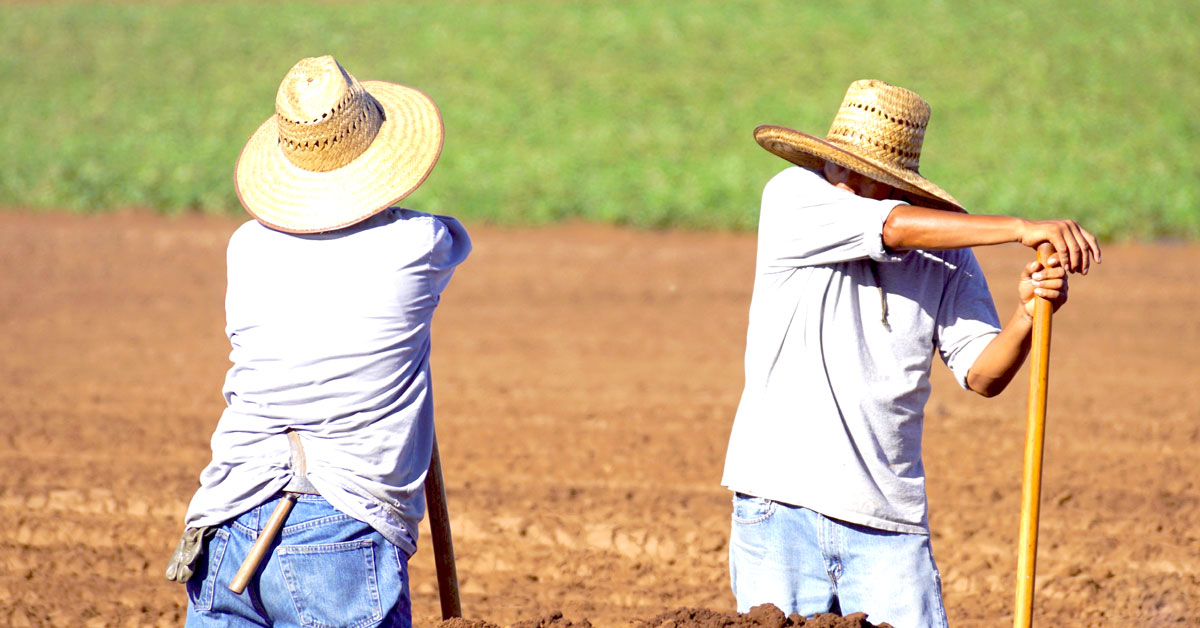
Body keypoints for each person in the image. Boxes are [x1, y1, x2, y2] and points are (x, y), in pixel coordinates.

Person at [721, 79, 1101, 627]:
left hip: (888, 525)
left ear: (894, 181)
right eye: (837, 166)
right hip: (780, 509)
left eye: (860, 173)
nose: (843, 182)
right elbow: (891, 228)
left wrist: (1027, 315)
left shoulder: (947, 258)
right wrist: (1021, 227)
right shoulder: (792, 198)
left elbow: (983, 374)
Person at [165, 55, 471, 628]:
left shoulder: (245, 247)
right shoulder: (423, 244)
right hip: (342, 531)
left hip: (228, 517)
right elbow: (445, 234)